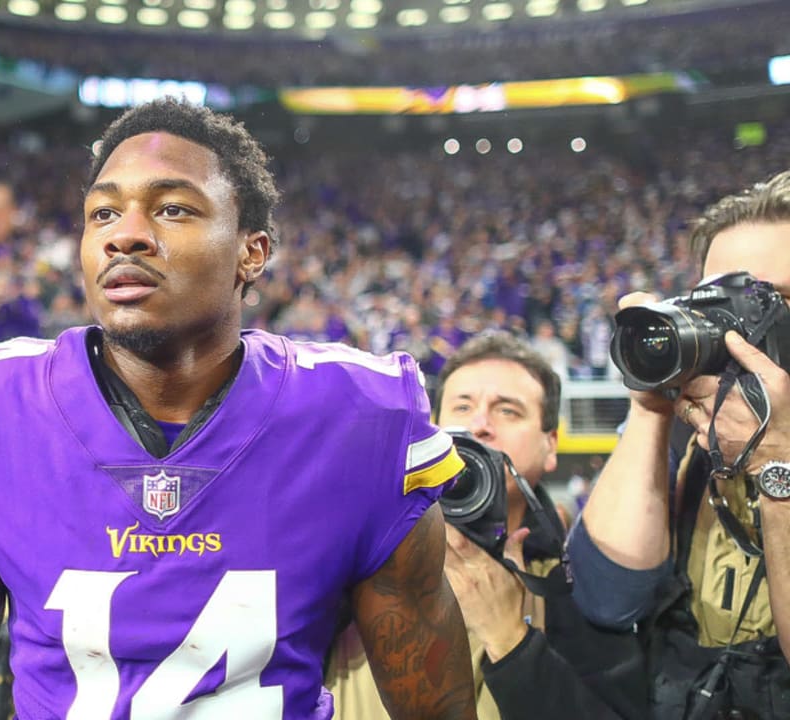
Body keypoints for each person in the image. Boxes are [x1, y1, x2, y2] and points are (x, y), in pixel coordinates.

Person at [0, 99, 475, 719]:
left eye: (172, 208)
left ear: (252, 252)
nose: (126, 234)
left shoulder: (361, 422)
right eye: (104, 213)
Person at [325, 332, 646, 719]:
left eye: (507, 411)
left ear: (550, 446)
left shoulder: (584, 588)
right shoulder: (357, 552)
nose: (479, 426)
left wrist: (512, 643)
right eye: (462, 408)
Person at [567, 170, 790, 718]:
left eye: (770, 301)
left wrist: (775, 462)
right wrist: (650, 401)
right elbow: (608, 599)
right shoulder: (695, 429)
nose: (741, 328)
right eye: (723, 301)